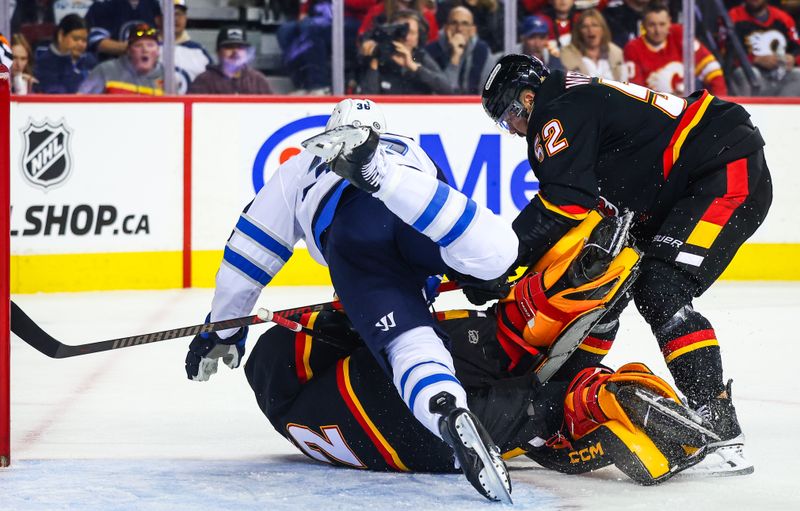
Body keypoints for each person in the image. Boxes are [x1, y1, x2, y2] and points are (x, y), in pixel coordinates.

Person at [185, 99, 518, 502]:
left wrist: (225, 327)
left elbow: (247, 258)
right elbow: (442, 222)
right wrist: (460, 277)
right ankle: (398, 187)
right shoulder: (413, 147)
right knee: (497, 254)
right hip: (412, 197)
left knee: (408, 342)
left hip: (355, 232)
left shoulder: (300, 166)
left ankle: (447, 410)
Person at [242, 221, 714, 486]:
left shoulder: (293, 411)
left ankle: (596, 402)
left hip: (432, 450)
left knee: (540, 403)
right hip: (385, 397)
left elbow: (293, 353)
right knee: (502, 341)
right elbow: (337, 335)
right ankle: (588, 381)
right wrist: (348, 316)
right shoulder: (289, 370)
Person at [480, 54, 773, 476]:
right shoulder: (566, 97)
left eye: (509, 113)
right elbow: (579, 208)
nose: (510, 127)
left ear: (528, 97)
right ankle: (559, 399)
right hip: (685, 180)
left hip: (723, 167)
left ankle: (716, 414)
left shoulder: (554, 113)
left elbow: (565, 201)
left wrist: (502, 259)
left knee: (661, 288)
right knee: (606, 287)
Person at [624, 2, 727, 96]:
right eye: (652, 25)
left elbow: (711, 69)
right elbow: (636, 92)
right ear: (643, 25)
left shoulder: (680, 33)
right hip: (654, 109)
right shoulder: (633, 48)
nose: (658, 30)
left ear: (669, 21)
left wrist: (720, 104)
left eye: (662, 24)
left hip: (689, 104)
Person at [357, 9, 451, 94]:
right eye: (401, 32)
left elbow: (448, 90)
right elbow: (367, 101)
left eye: (411, 33)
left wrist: (413, 66)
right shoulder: (380, 58)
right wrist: (375, 59)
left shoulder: (421, 58)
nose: (406, 37)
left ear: (419, 38)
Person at [728, 0, 800, 96]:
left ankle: (786, 111)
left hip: (781, 76)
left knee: (798, 75)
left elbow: (797, 48)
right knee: (747, 73)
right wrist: (754, 60)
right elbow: (725, 55)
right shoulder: (733, 17)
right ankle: (744, 110)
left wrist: (793, 59)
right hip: (752, 74)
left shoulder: (783, 18)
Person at [78, 23, 165, 95]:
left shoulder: (167, 76)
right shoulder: (105, 71)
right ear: (129, 51)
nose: (145, 50)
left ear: (158, 51)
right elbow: (79, 103)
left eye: (150, 45)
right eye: (138, 45)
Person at [425, 6, 492, 94]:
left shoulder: (483, 51)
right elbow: (444, 92)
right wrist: (455, 57)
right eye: (454, 23)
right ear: (445, 28)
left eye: (465, 24)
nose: (459, 29)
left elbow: (486, 91)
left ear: (473, 30)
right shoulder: (431, 51)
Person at [188, 26, 272, 94]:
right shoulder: (204, 81)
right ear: (218, 51)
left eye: (240, 47)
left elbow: (272, 111)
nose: (235, 52)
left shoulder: (257, 80)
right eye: (229, 47)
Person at [34, 14, 97, 94]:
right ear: (61, 35)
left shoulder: (90, 61)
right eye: (76, 39)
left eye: (84, 40)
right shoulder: (43, 64)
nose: (81, 44)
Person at [157, 0, 212, 91]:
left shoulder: (199, 51)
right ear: (158, 19)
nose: (175, 18)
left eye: (179, 14)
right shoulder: (149, 49)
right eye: (170, 12)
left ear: (186, 18)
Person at [559, 9, 626, 81]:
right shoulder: (567, 55)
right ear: (579, 31)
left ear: (603, 29)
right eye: (585, 26)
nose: (590, 30)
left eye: (595, 25)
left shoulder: (616, 53)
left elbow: (625, 84)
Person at [85, 0, 162, 58]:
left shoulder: (154, 5)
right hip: (113, 70)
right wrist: (133, 48)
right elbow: (96, 42)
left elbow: (162, 36)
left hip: (148, 71)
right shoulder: (103, 5)